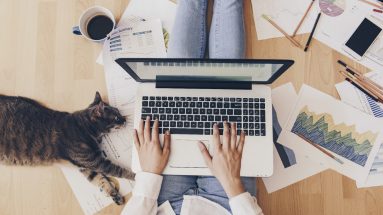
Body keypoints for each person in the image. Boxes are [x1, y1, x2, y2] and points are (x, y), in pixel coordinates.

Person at [121, 0, 263, 214]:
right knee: (229, 88)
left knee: (178, 84)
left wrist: (149, 176)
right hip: (226, 205)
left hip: (163, 203)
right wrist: (234, 185)